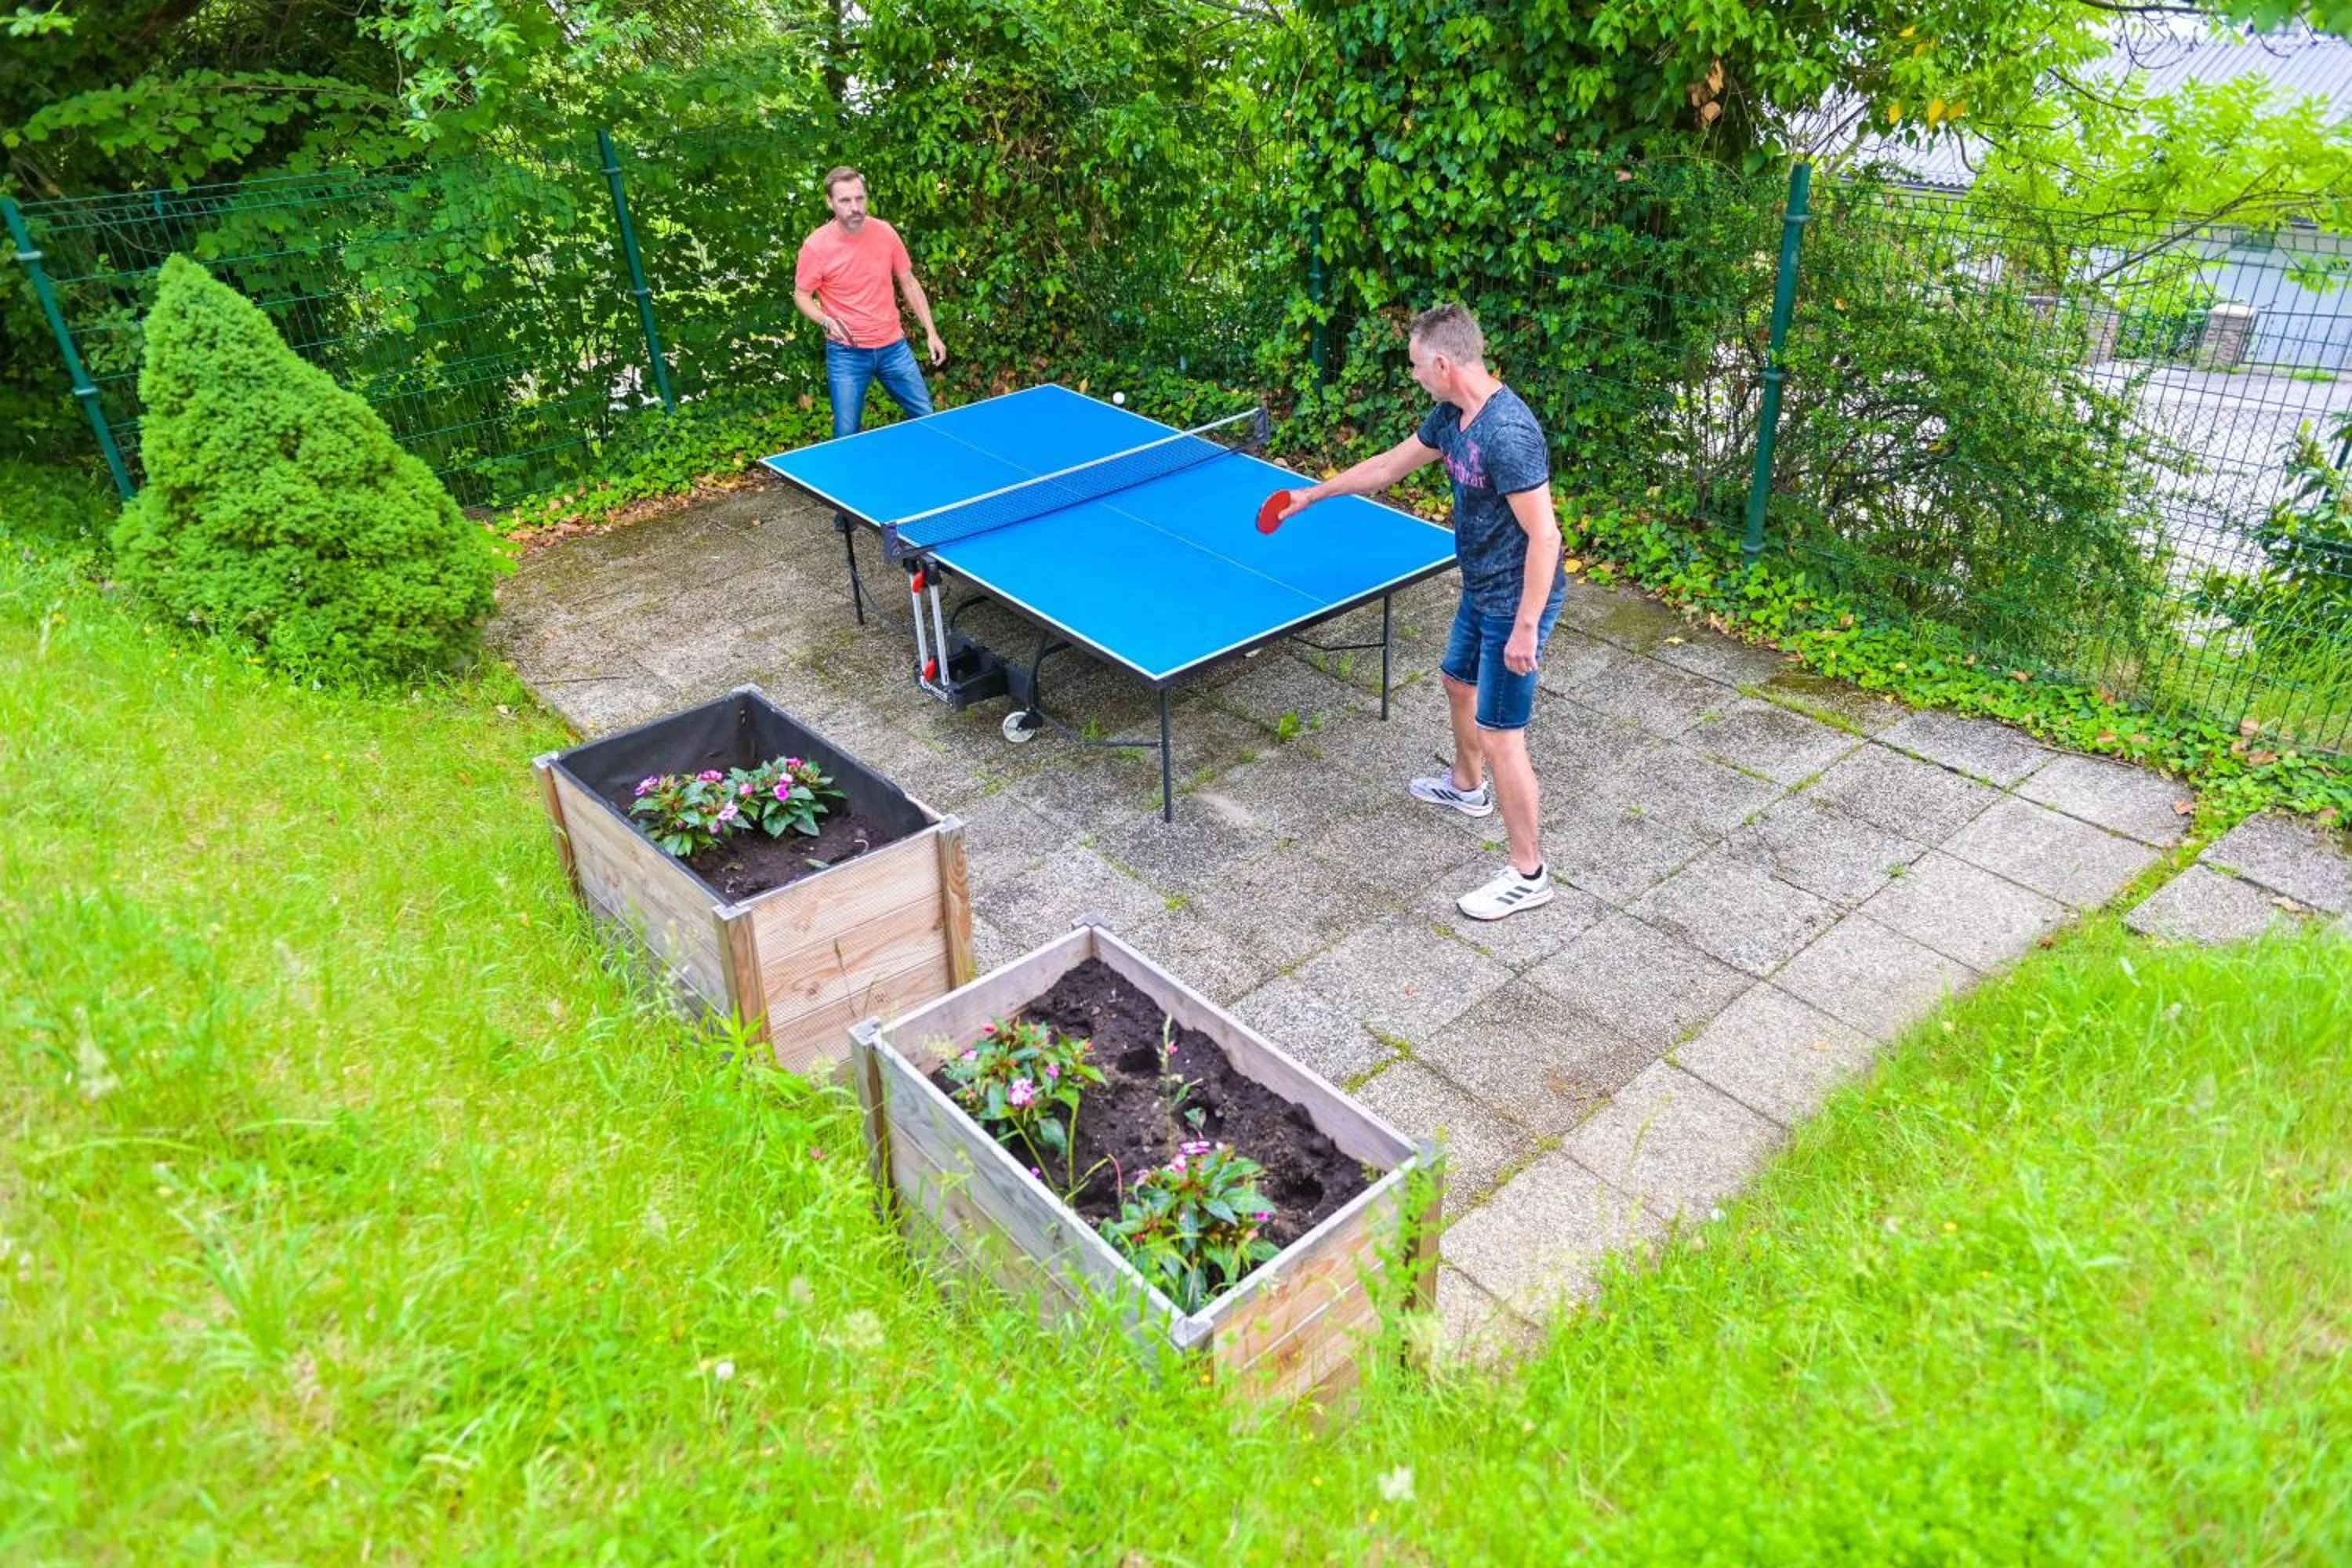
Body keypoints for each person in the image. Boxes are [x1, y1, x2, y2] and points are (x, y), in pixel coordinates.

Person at [1279, 303, 1566, 921]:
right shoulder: (1453, 417)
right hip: (1482, 585)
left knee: (1502, 735)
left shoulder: (1506, 435)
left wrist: (1524, 629)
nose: (1412, 375)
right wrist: (1312, 494)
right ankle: (1467, 789)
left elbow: (1546, 538)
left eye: (1415, 366)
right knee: (1454, 679)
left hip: (1516, 601)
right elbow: (1387, 467)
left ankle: (1529, 873)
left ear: (1442, 362)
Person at [793, 166, 949, 440]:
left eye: (860, 198)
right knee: (846, 434)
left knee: (927, 419)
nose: (855, 207)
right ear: (830, 202)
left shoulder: (885, 233)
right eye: (845, 201)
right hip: (847, 354)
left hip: (894, 348)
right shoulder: (816, 246)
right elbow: (801, 295)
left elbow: (909, 282)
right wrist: (826, 321)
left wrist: (932, 333)